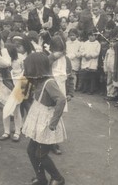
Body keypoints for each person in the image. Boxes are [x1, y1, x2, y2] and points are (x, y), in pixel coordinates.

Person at [22, 52, 66, 185]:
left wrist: (53, 122)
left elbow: (61, 100)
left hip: (46, 122)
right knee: (31, 151)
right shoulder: (39, 80)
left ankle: (58, 178)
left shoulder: (49, 83)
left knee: (40, 154)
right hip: (39, 120)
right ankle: (41, 178)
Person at [79, 29, 101, 94]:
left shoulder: (97, 44)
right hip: (86, 60)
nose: (90, 37)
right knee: (85, 76)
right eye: (89, 36)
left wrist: (90, 55)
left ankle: (91, 90)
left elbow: (97, 53)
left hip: (92, 61)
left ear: (95, 36)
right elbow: (81, 50)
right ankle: (84, 88)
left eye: (92, 36)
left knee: (92, 77)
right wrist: (85, 55)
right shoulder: (85, 43)